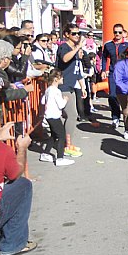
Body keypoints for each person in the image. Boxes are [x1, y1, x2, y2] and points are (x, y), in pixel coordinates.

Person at [0, 121, 36, 255]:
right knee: (23, 185)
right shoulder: (1, 150)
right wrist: (22, 148)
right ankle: (13, 244)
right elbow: (15, 173)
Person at [55, 24, 86, 157]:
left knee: (71, 116)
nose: (77, 36)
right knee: (71, 115)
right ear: (66, 34)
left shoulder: (75, 49)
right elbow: (64, 59)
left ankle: (68, 143)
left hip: (71, 86)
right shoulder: (64, 47)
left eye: (78, 33)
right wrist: (78, 47)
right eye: (74, 33)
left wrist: (82, 85)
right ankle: (66, 144)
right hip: (62, 86)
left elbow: (77, 69)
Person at [39, 70, 74, 166]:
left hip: (49, 116)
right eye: (61, 77)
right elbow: (61, 105)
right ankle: (60, 158)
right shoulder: (56, 91)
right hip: (54, 116)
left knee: (54, 135)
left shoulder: (48, 89)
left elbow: (43, 101)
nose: (63, 79)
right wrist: (65, 99)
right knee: (61, 136)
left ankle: (45, 153)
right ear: (56, 79)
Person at [101, 23, 128, 127]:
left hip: (125, 74)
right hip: (113, 73)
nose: (117, 34)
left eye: (120, 32)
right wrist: (104, 70)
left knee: (127, 95)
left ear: (123, 32)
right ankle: (115, 117)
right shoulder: (108, 44)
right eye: (115, 32)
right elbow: (104, 58)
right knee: (112, 96)